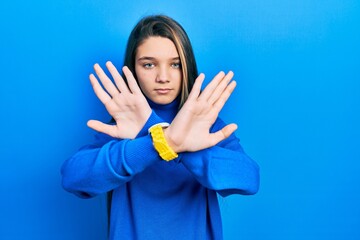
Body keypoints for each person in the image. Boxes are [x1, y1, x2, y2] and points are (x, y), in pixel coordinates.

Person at [61, 15, 260, 240]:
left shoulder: (205, 125)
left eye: (175, 64)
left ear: (187, 67)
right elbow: (72, 178)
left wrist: (176, 144)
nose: (163, 77)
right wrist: (158, 141)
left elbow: (249, 178)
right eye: (149, 64)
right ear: (133, 69)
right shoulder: (122, 127)